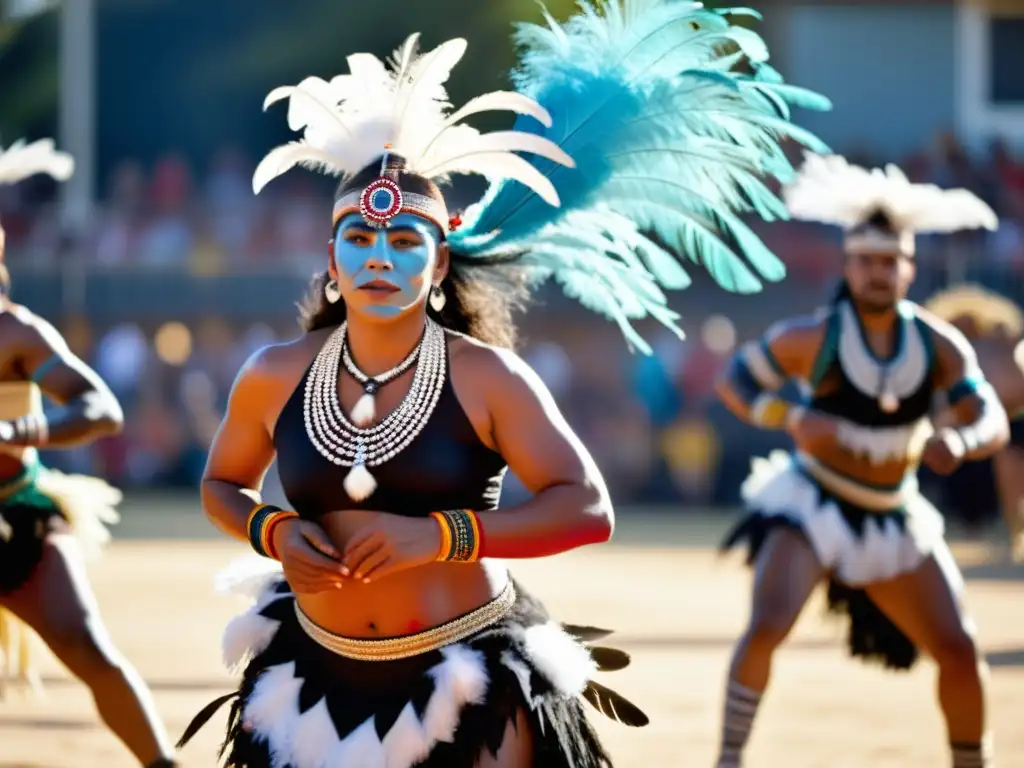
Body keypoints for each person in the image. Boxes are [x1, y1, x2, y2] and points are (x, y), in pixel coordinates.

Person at [176, 2, 830, 766]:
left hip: (468, 682)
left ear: (440, 263)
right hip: (313, 678)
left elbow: (587, 509)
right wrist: (276, 532)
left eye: (403, 240)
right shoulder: (275, 374)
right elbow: (222, 484)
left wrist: (441, 536)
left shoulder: (488, 377)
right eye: (358, 238)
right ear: (331, 257)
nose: (379, 258)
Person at [715, 153, 1004, 768]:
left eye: (889, 262)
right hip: (813, 502)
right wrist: (789, 418)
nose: (877, 273)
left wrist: (962, 442)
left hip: (895, 512)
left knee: (958, 649)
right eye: (866, 261)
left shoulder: (938, 346)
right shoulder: (810, 338)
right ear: (847, 266)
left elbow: (992, 419)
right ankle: (729, 760)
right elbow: (734, 383)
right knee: (767, 626)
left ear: (909, 269)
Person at [0, 139, 178, 766]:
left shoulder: (15, 331)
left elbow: (101, 408)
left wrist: (19, 432)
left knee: (85, 646)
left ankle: (161, 762)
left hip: (16, 514)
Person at [925, 284, 1024, 560]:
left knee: (1009, 454)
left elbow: (1011, 393)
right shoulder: (945, 351)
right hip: (965, 441)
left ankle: (1015, 531)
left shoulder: (1007, 344)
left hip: (1005, 427)